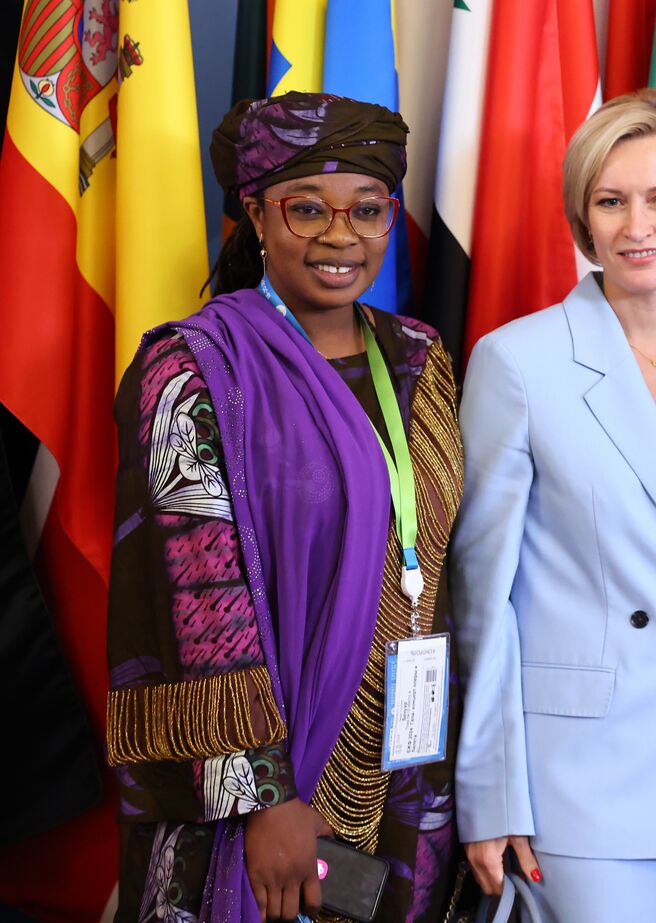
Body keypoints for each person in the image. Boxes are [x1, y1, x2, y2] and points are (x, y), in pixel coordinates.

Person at [106, 92, 464, 922]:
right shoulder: (189, 368)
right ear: (257, 216)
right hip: (262, 795)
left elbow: (441, 571)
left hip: (406, 770)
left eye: (367, 210)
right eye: (308, 209)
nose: (341, 236)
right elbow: (198, 602)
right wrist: (264, 797)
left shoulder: (418, 358)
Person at [451, 88, 656, 923]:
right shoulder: (518, 362)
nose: (638, 226)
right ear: (583, 219)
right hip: (579, 782)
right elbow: (482, 599)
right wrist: (490, 791)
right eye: (611, 201)